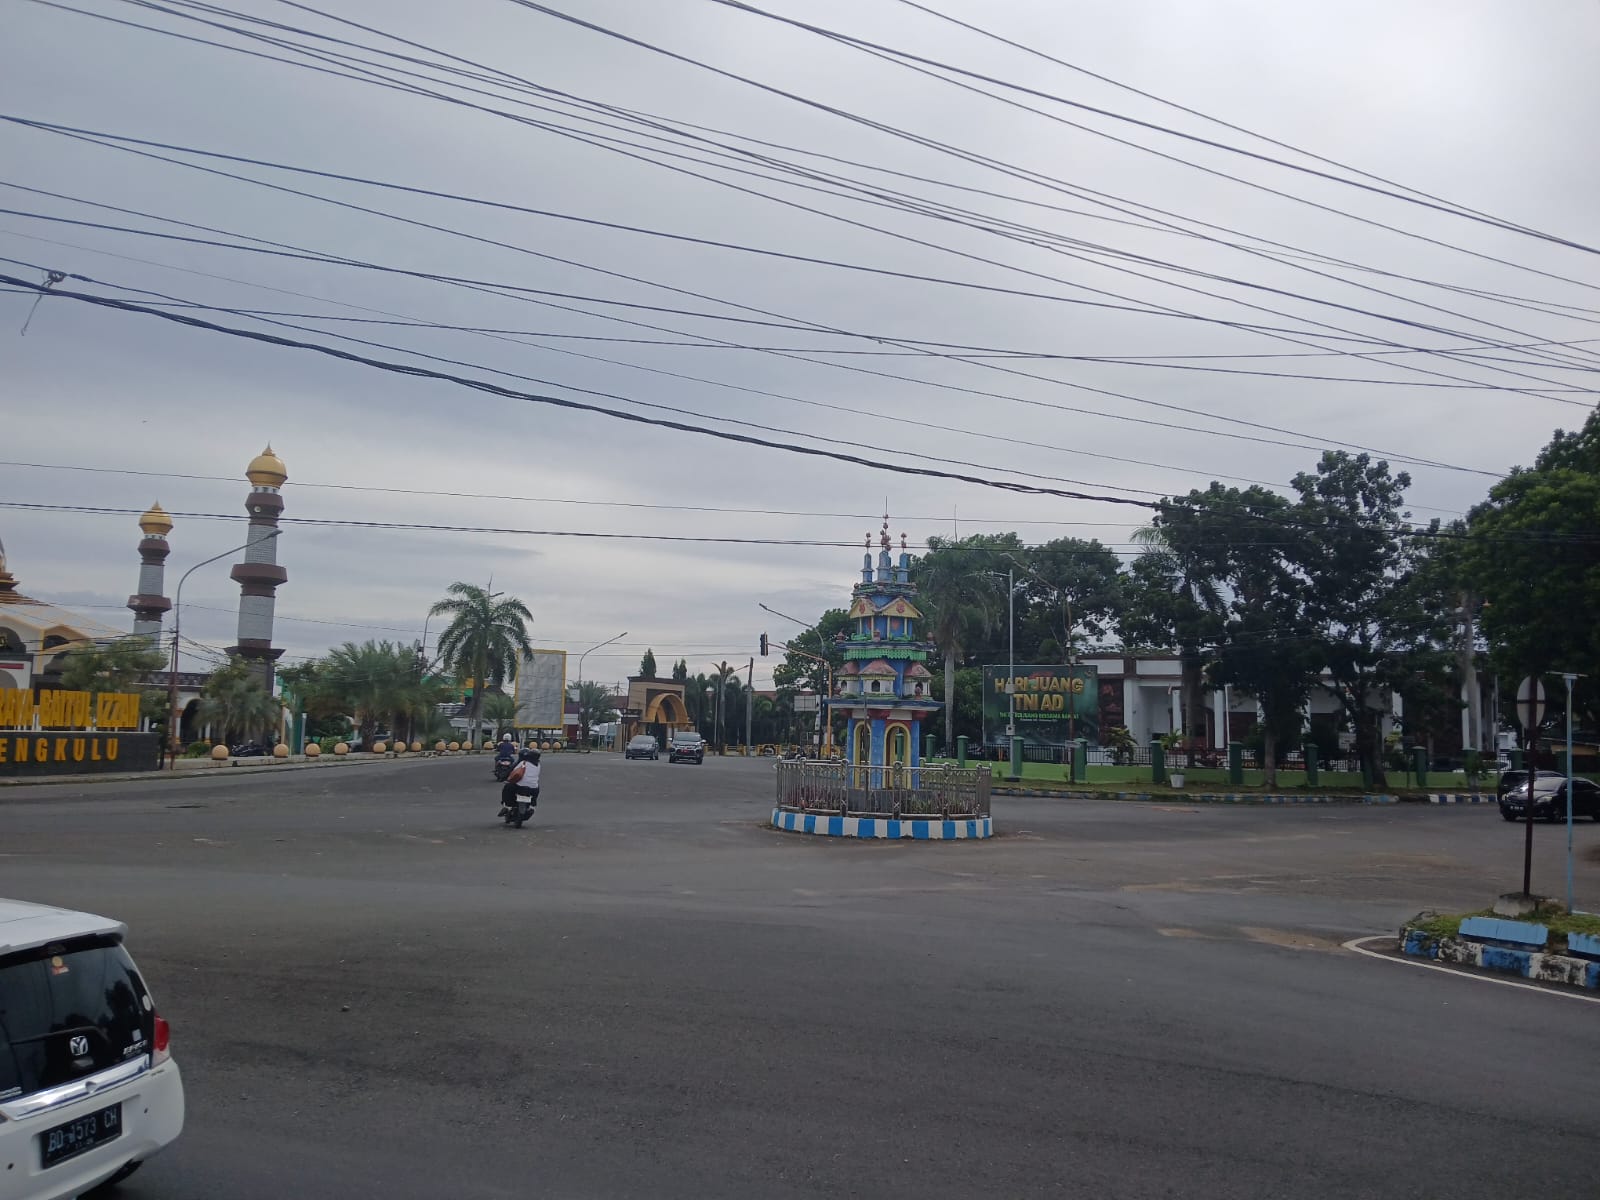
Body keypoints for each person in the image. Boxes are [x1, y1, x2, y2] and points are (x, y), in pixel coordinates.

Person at [500, 747, 541, 815]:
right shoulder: (539, 765)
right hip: (534, 788)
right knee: (536, 789)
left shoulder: (523, 763)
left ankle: (507, 807)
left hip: (520, 786)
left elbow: (514, 772)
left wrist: (506, 778)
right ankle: (532, 806)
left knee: (507, 787)